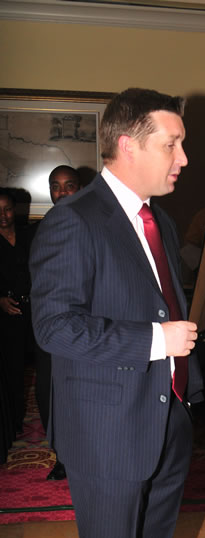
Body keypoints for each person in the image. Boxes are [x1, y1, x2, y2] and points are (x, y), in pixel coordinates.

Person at [30, 88, 202, 538]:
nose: (183, 157)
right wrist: (155, 341)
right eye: (172, 143)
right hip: (107, 428)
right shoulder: (75, 221)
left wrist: (186, 391)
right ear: (127, 144)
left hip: (165, 419)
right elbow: (55, 326)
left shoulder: (154, 218)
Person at [34, 166, 82, 480]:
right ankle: (61, 456)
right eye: (56, 186)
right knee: (46, 393)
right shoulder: (41, 228)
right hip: (50, 326)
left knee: (79, 395)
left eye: (69, 186)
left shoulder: (93, 224)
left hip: (84, 326)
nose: (62, 192)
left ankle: (79, 455)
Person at [0, 189, 34, 434]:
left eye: (7, 209)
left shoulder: (30, 235)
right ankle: (13, 423)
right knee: (12, 371)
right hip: (6, 316)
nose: (3, 215)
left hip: (36, 311)